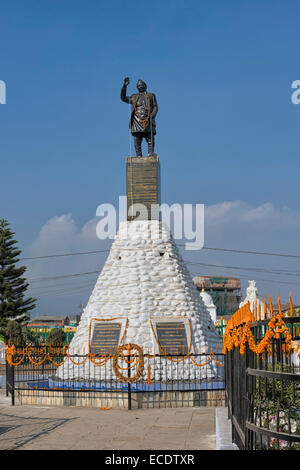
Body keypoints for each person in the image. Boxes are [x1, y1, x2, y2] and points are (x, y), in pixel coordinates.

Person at [121, 77, 158, 157]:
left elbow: (155, 107)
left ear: (145, 86)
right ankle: (138, 155)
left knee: (150, 138)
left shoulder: (151, 96)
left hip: (148, 118)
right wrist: (124, 86)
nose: (140, 86)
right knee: (137, 139)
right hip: (137, 120)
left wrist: (152, 115)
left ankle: (150, 153)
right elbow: (123, 98)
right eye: (138, 86)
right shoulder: (134, 97)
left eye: (141, 85)